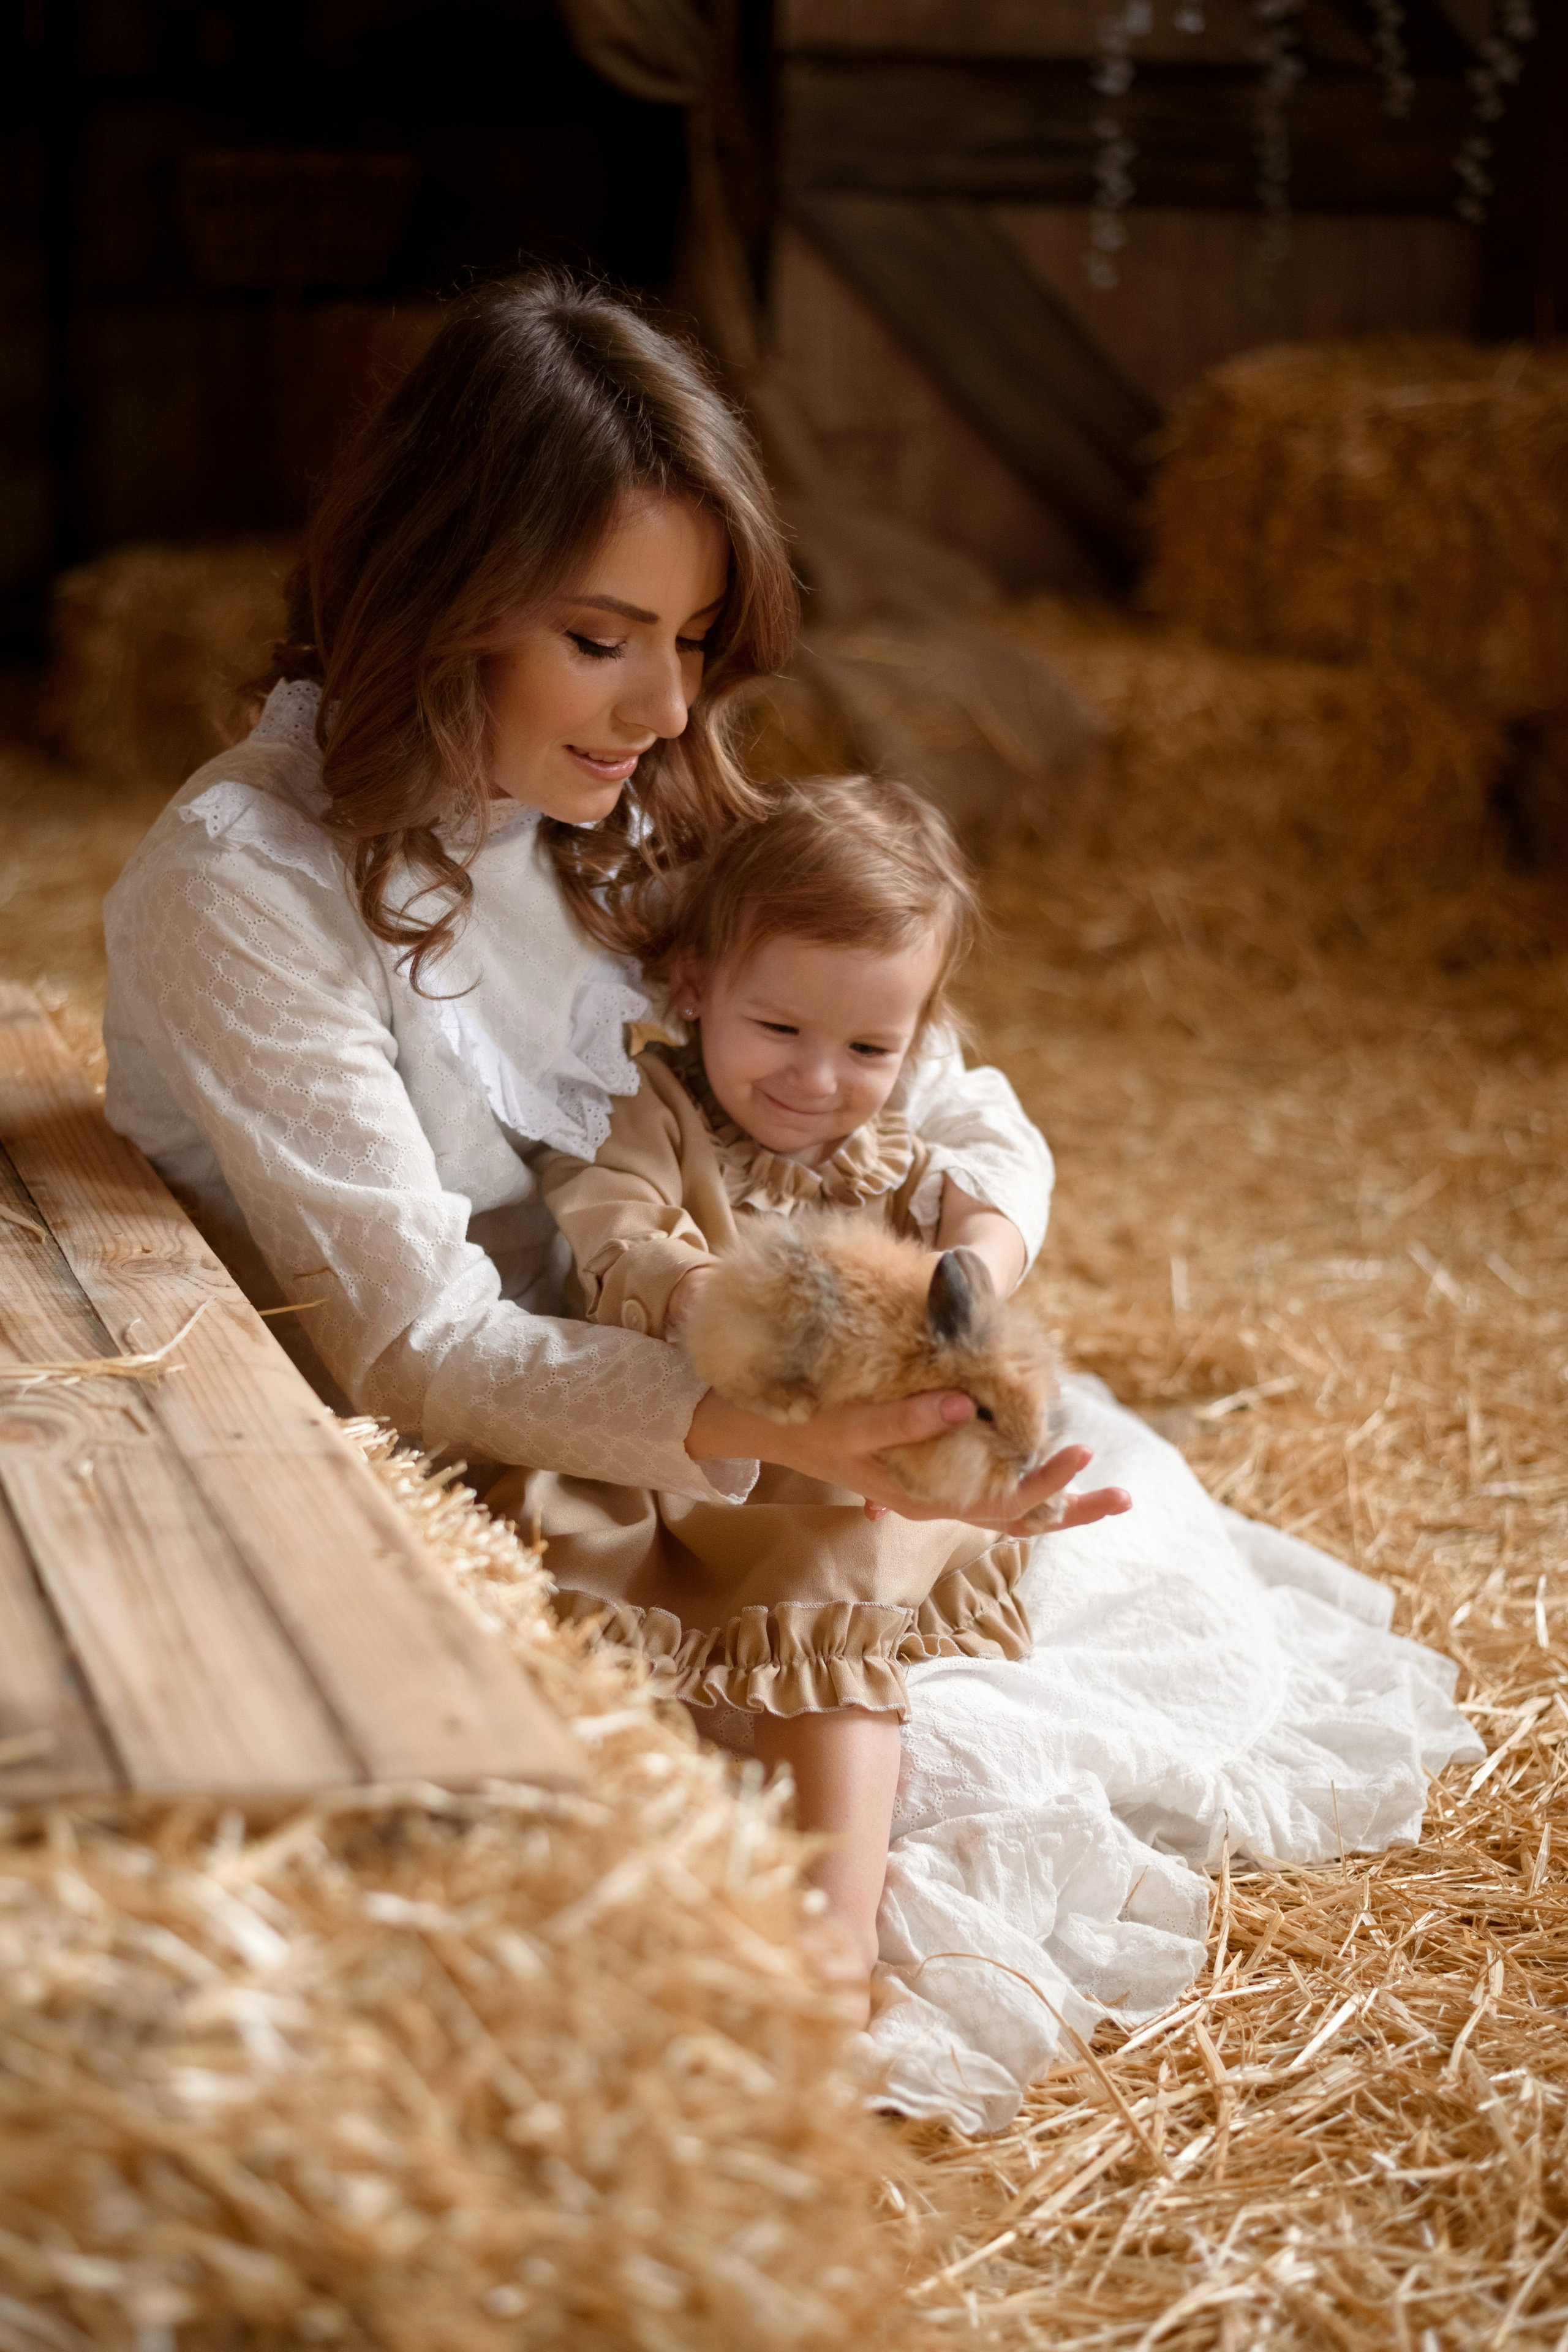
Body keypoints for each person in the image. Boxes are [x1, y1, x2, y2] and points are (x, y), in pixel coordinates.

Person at [102, 271, 1480, 2127]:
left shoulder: (625, 810)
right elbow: (416, 1339)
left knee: (1026, 1540)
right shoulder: (245, 882)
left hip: (713, 1381)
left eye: (690, 639)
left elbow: (956, 1093)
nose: (666, 703)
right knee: (823, 1608)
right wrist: (763, 1433)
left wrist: (964, 1282)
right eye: (602, 637)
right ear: (437, 595)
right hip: (487, 1444)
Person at [521, 771, 1057, 2004]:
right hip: (691, 1454)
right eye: (778, 1030)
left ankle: (836, 1923)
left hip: (843, 1479)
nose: (818, 1081)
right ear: (696, 984)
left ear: (916, 1040)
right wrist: (717, 1303)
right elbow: (613, 1232)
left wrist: (967, 1291)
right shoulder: (641, 1111)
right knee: (594, 1600)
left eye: (868, 1048)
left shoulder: (897, 1155)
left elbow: (979, 1228)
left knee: (845, 1562)